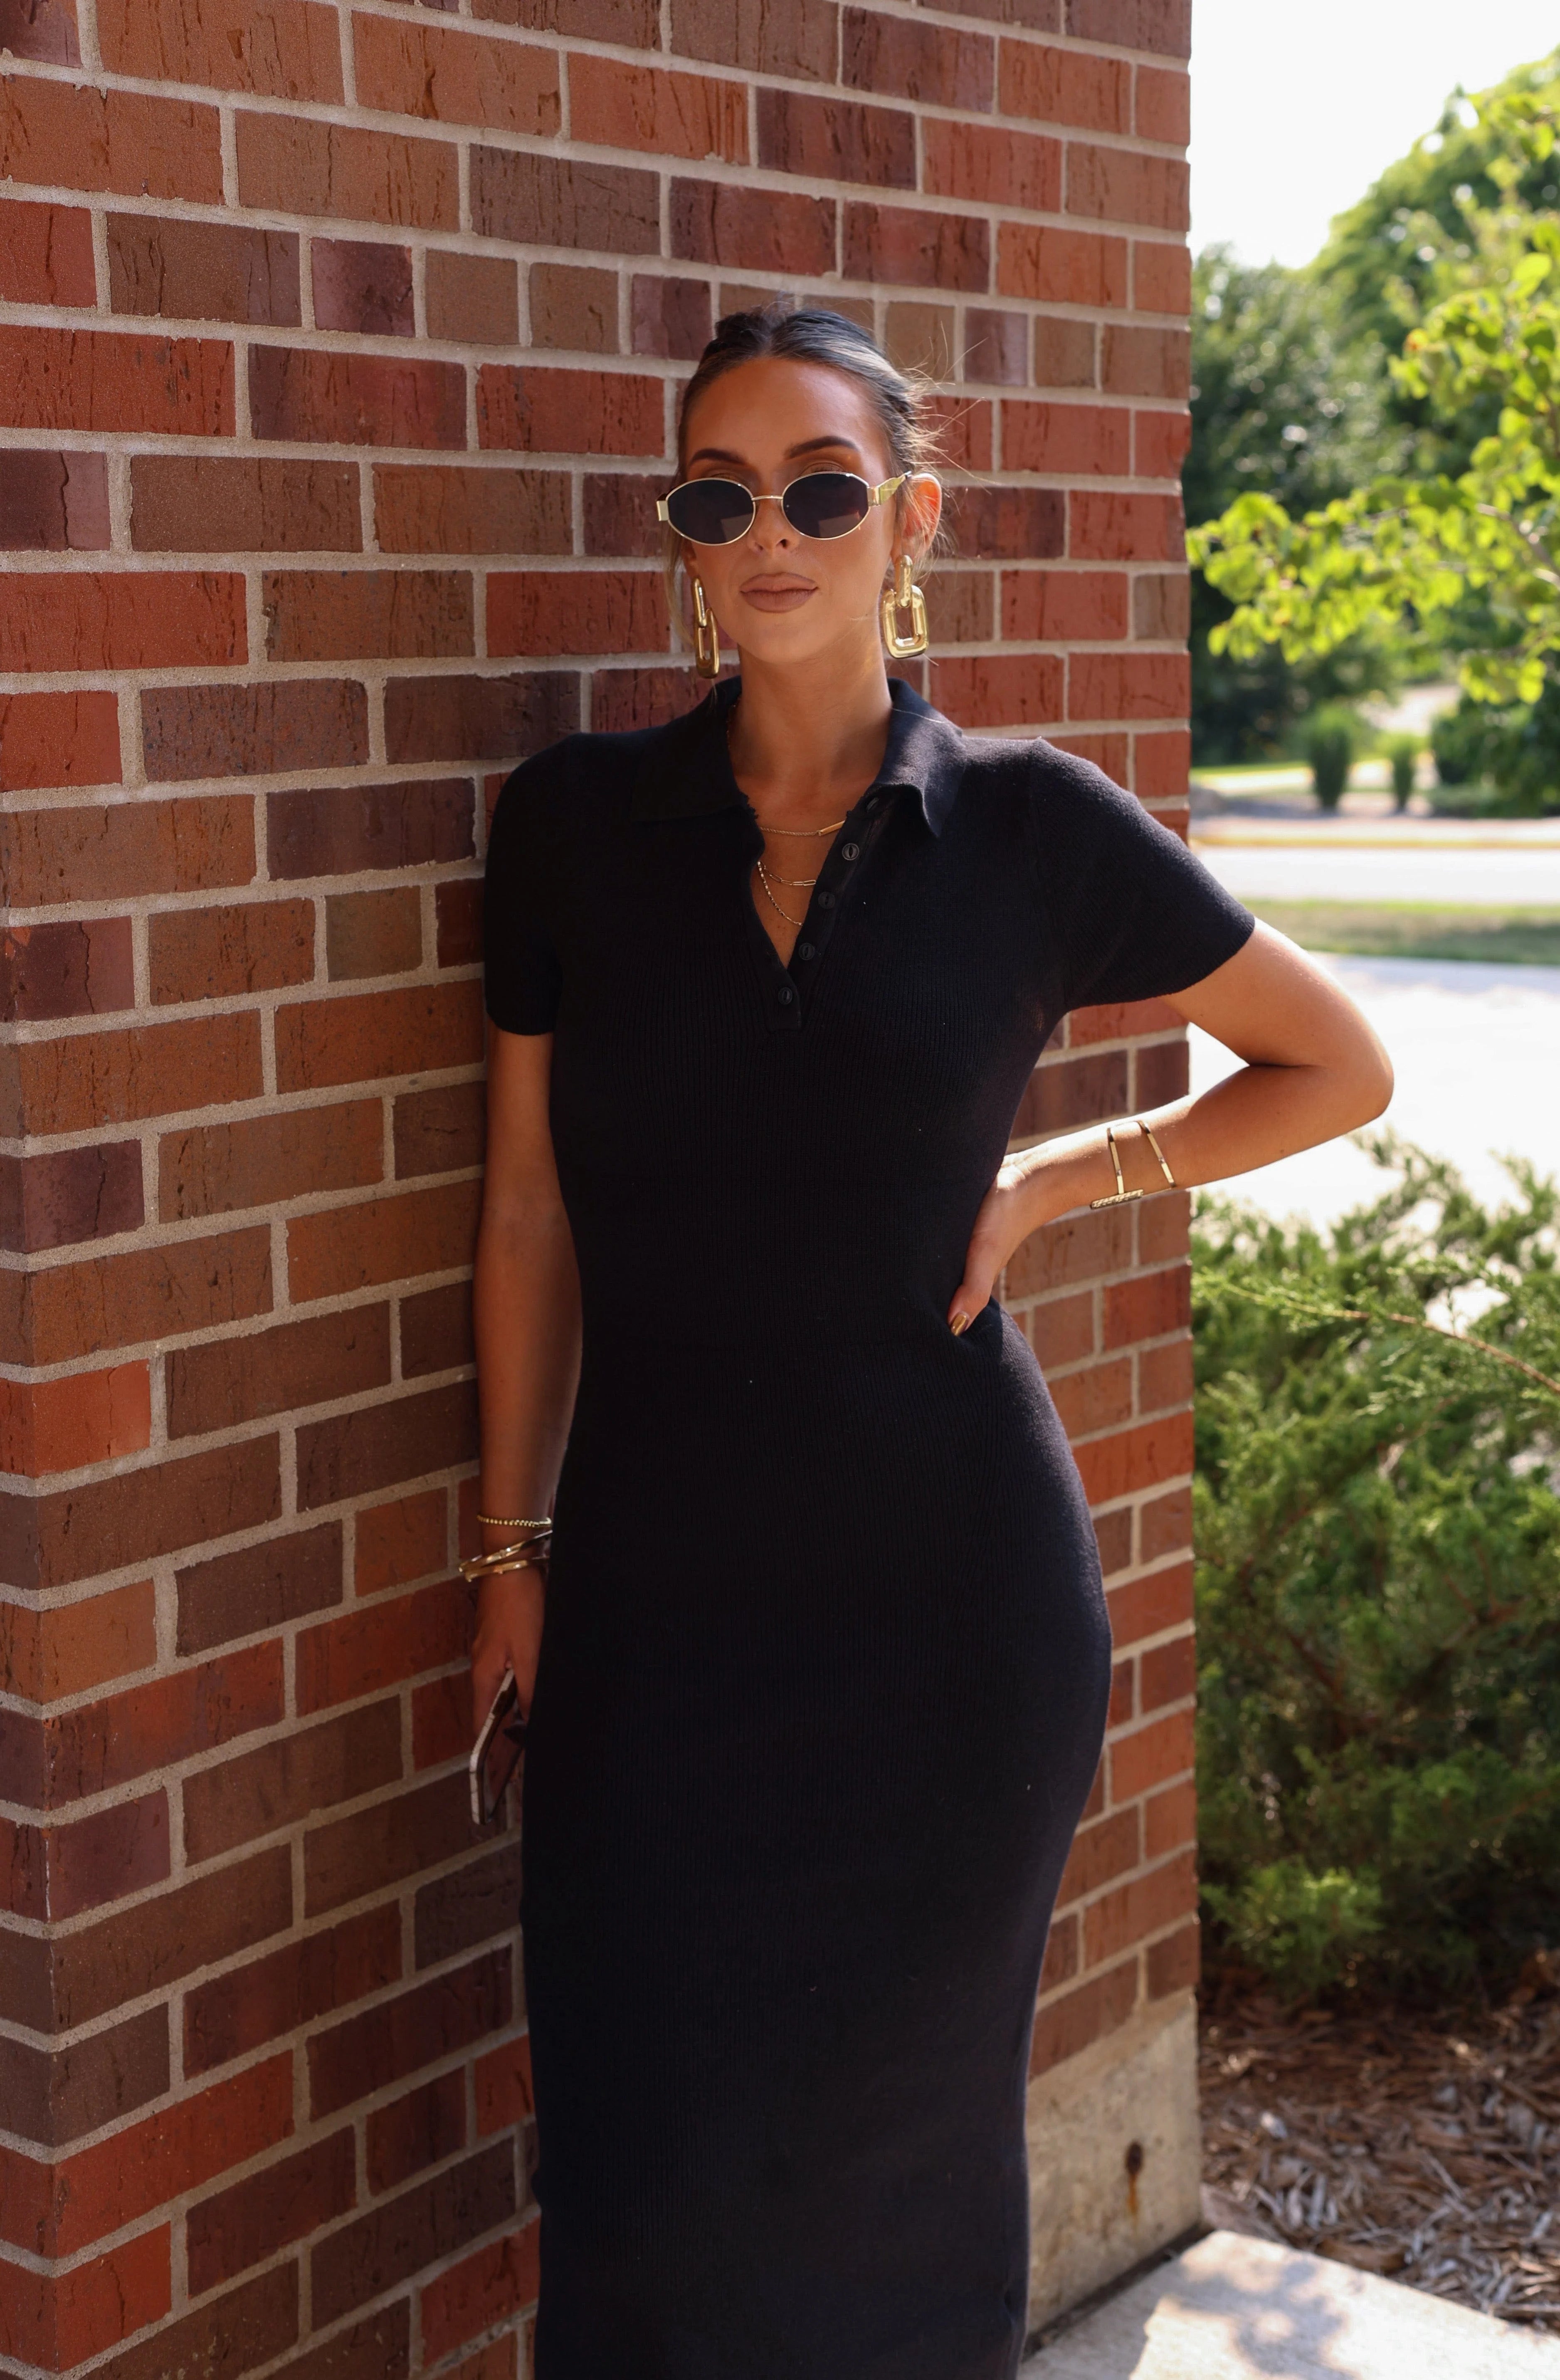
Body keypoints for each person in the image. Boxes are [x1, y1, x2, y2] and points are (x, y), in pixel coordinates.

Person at [470, 304, 1392, 2379]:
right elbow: (523, 1213)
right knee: (640, 2166)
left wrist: (1068, 1178)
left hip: (947, 1622)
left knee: (891, 2184)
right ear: (677, 536)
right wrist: (509, 1553)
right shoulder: (574, 826)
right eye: (718, 498)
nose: (767, 535)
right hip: (653, 1612)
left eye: (821, 489)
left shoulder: (1028, 828)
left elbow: (1331, 1063)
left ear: (909, 520)